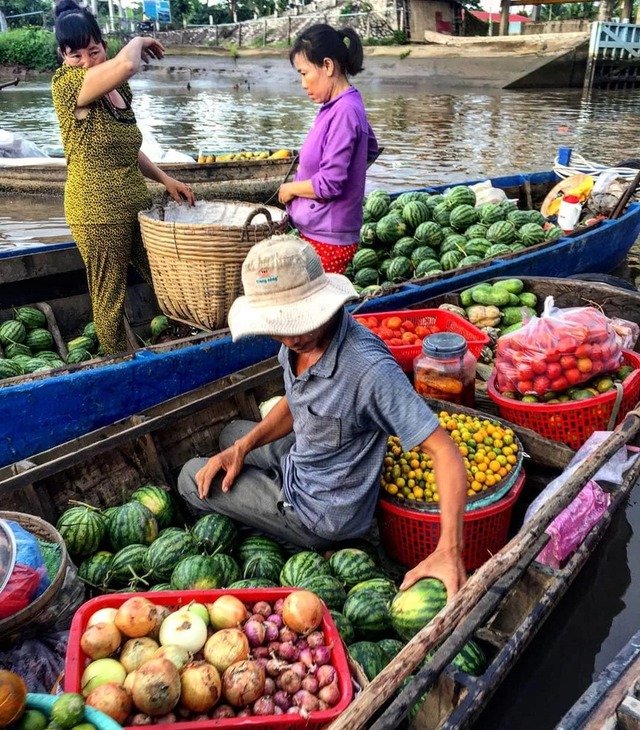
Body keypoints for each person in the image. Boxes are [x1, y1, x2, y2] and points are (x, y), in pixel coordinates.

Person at [178, 236, 468, 598]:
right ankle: (255, 476)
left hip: (320, 511)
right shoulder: (295, 344)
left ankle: (295, 539)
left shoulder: (369, 370)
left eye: (297, 323)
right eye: (278, 326)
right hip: (306, 458)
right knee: (230, 435)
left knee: (190, 477)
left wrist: (448, 551)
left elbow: (445, 451)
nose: (288, 337)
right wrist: (242, 448)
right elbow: (297, 400)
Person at [52, 0, 195, 356]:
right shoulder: (68, 86)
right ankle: (119, 364)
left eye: (94, 51)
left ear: (103, 46)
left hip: (136, 206)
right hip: (97, 211)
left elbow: (128, 146)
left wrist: (165, 179)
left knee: (163, 276)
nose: (87, 61)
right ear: (63, 57)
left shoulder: (119, 91)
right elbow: (129, 62)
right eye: (76, 56)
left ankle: (183, 343)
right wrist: (139, 39)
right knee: (109, 297)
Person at [277, 24, 378, 275]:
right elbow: (370, 148)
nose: (302, 83)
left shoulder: (343, 111)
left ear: (328, 66)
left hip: (328, 238)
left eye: (304, 73)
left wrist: (290, 189)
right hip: (320, 228)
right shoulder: (341, 105)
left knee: (312, 311)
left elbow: (331, 183)